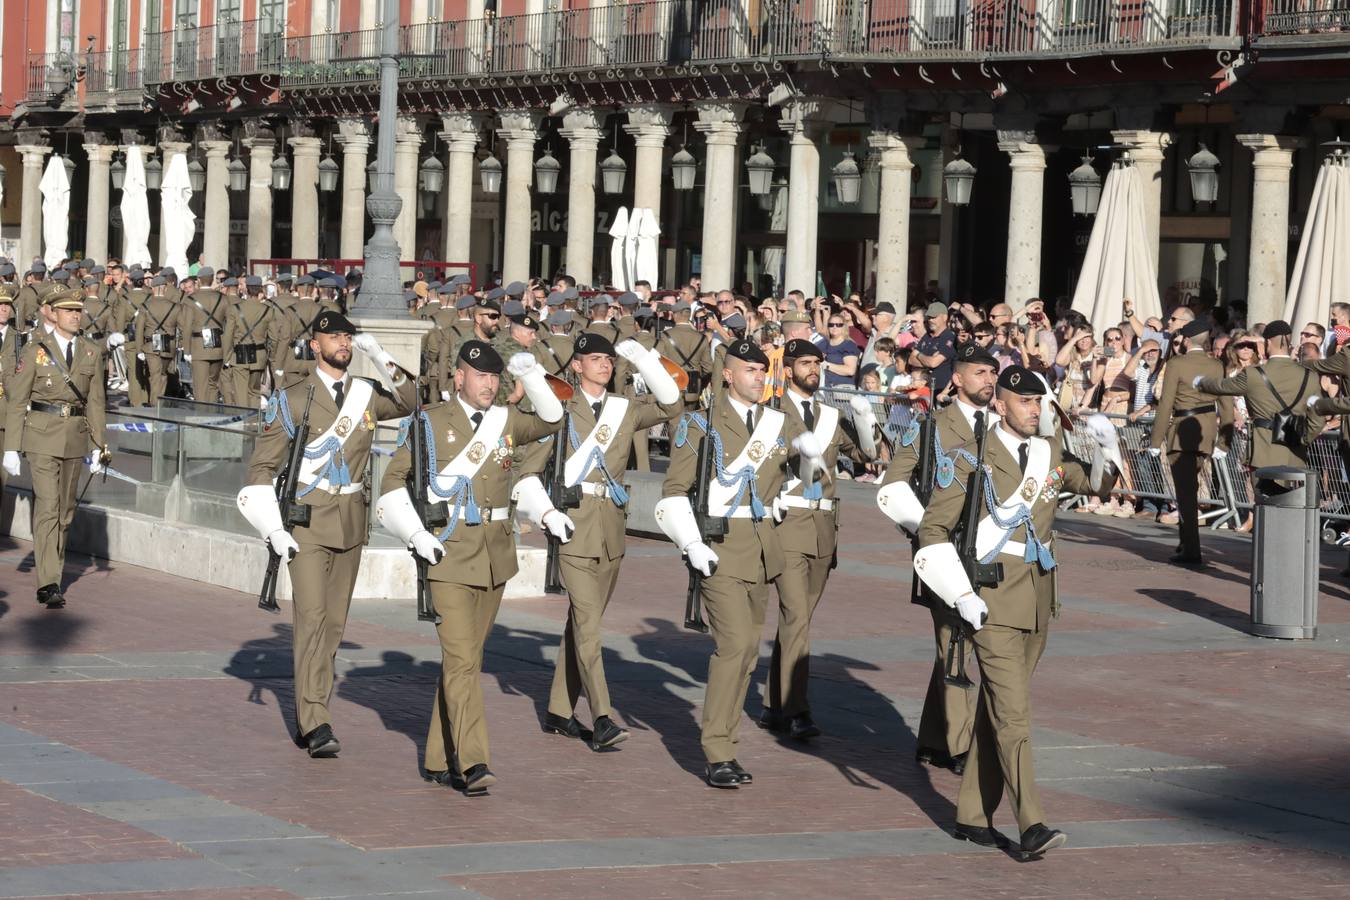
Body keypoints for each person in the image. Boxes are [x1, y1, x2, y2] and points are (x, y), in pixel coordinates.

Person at [914, 365, 1118, 858]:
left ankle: (971, 815)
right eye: (1024, 401)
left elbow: (1097, 487)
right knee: (1014, 713)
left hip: (1038, 598)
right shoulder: (969, 458)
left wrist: (1107, 449)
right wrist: (960, 594)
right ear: (1000, 405)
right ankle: (1032, 823)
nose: (1033, 410)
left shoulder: (1048, 452)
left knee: (998, 710)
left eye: (1037, 401)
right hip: (990, 598)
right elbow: (932, 530)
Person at [375, 340, 563, 794]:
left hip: (494, 556)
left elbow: (553, 419)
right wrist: (414, 534)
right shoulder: (430, 422)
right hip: (448, 553)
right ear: (459, 377)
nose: (489, 384)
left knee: (466, 661)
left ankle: (438, 757)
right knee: (462, 661)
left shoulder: (506, 420)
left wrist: (532, 375)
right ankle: (474, 762)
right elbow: (391, 481)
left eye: (495, 377)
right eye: (481, 376)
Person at [235, 311, 415, 758]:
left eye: (348, 337)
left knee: (334, 625)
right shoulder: (295, 398)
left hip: (351, 520)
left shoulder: (366, 393)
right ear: (315, 345)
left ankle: (313, 709)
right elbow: (262, 467)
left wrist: (381, 356)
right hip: (307, 523)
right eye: (334, 337)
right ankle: (315, 720)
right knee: (312, 620)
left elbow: (411, 401)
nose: (343, 343)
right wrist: (271, 527)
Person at [655, 338, 822, 788]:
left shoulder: (778, 422)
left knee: (748, 652)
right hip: (720, 544)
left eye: (762, 370)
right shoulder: (701, 423)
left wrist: (810, 460)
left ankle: (727, 742)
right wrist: (691, 543)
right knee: (732, 647)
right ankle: (717, 751)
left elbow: (807, 480)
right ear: (728, 375)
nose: (759, 377)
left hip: (764, 546)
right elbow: (674, 490)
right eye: (750, 370)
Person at [520, 332, 683, 749]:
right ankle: (603, 717)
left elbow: (671, 405)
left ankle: (559, 711)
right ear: (576, 366)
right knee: (590, 625)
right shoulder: (557, 410)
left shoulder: (623, 409)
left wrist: (647, 362)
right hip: (572, 525)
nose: (605, 365)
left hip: (611, 527)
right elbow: (527, 472)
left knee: (581, 622)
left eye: (609, 359)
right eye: (595, 359)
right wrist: (547, 514)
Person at [877, 341, 999, 774]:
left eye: (992, 372)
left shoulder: (1003, 427)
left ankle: (932, 738)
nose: (989, 380)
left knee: (957, 640)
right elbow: (893, 486)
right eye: (980, 372)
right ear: (958, 378)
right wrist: (929, 536)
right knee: (955, 644)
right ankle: (962, 745)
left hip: (991, 548)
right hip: (947, 549)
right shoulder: (931, 427)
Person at [761, 339, 878, 738]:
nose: (814, 369)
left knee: (798, 620)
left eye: (818, 363)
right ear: (788, 369)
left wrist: (865, 419)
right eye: (806, 363)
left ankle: (773, 704)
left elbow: (866, 456)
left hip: (824, 527)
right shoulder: (771, 412)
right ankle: (797, 710)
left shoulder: (830, 415)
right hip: (788, 522)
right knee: (796, 615)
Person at [2, 290, 110, 609]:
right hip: (41, 436)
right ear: (54, 314)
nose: (75, 316)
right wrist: (11, 447)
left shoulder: (91, 352)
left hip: (75, 437)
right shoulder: (35, 350)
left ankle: (52, 571)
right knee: (48, 507)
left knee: (65, 511)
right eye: (68, 311)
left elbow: (96, 403)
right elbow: (18, 401)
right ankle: (49, 582)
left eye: (78, 311)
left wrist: (98, 446)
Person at [1194, 320, 1323, 494]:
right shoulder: (1310, 376)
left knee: (1265, 504)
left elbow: (1222, 386)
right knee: (1291, 505)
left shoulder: (1253, 374)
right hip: (1295, 454)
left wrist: (1200, 382)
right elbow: (1318, 419)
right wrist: (1303, 440)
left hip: (1263, 452)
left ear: (1268, 343)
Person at [1148, 318, 1234, 566]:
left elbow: (1166, 404)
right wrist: (1224, 441)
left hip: (1182, 432)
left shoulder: (1177, 363)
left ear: (1186, 340)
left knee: (1185, 493)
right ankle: (1185, 542)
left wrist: (1155, 440)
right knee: (1190, 489)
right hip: (1207, 431)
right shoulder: (1217, 365)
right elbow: (1226, 406)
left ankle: (1191, 549)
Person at [223, 277, 276, 409]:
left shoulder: (235, 309)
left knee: (240, 394)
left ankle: (243, 419)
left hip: (239, 354)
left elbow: (228, 335)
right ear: (260, 290)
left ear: (246, 289)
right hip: (259, 355)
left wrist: (227, 357)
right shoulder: (268, 310)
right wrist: (272, 357)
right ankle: (254, 419)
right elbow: (274, 338)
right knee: (255, 392)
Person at [182, 266, 229, 404]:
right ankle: (211, 412)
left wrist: (187, 350)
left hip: (199, 346)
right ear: (212, 279)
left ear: (198, 280)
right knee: (213, 385)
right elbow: (228, 324)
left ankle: (201, 414)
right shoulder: (223, 298)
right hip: (218, 345)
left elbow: (187, 327)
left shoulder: (190, 300)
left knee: (200, 386)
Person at [137, 275, 181, 406]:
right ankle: (158, 405)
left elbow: (139, 329)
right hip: (169, 344)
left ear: (152, 288)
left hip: (151, 344)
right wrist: (181, 344)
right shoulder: (175, 307)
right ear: (165, 288)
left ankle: (155, 406)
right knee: (162, 374)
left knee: (156, 375)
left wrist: (139, 349)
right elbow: (182, 327)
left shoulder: (145, 306)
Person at [913, 301, 956, 396]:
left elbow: (933, 363)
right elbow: (911, 360)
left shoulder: (949, 337)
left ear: (945, 317)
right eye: (929, 317)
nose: (930, 320)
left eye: (934, 317)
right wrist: (928, 361)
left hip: (940, 391)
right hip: (924, 390)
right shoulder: (927, 336)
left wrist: (919, 355)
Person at [820, 310, 860, 388]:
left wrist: (827, 365)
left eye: (838, 325)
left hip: (842, 390)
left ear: (844, 326)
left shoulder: (849, 345)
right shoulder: (823, 343)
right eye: (831, 325)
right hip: (824, 388)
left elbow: (850, 370)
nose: (834, 327)